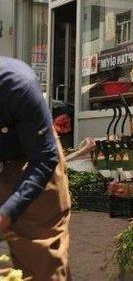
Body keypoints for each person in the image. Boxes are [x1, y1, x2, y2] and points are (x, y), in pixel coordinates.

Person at [0, 56, 71, 280]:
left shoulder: (18, 84)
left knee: (42, 262)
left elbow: (43, 159)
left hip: (30, 161)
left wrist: (7, 213)